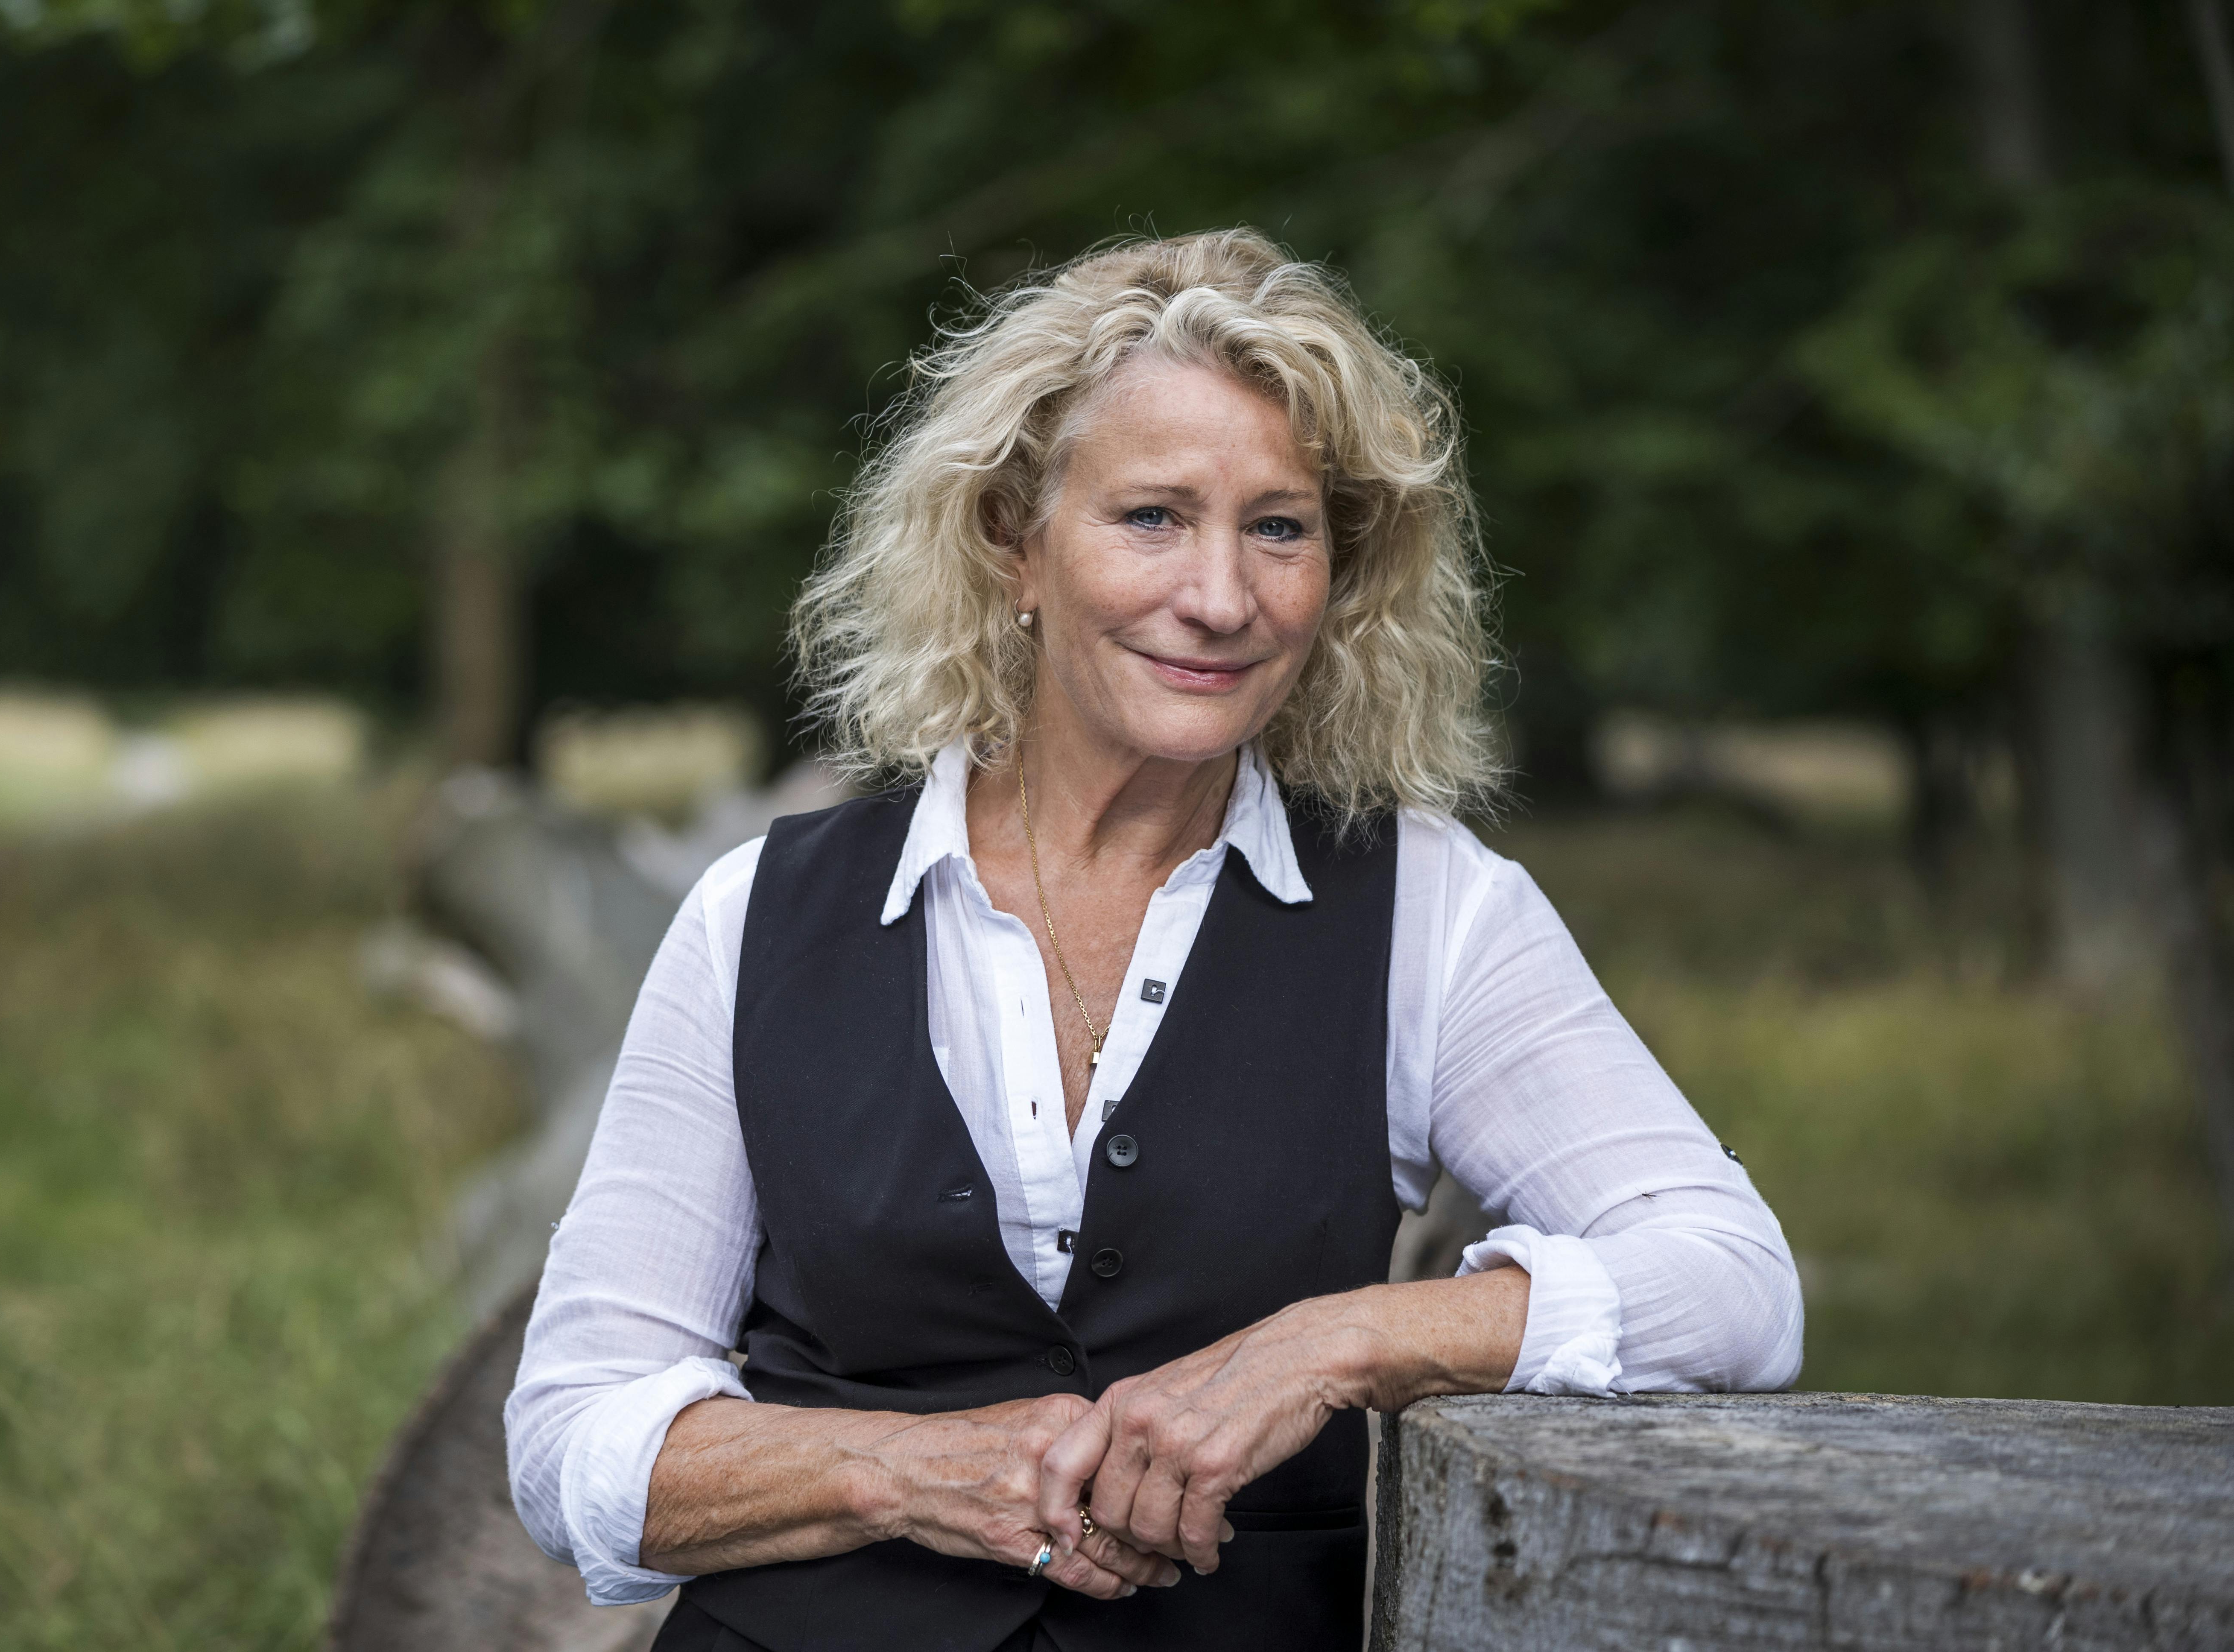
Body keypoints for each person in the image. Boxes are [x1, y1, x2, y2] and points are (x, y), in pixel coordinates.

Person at [505, 229, 1801, 1652]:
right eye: (1151, 517)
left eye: (1279, 528)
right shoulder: (759, 915)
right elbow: (572, 1441)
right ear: (1012, 540)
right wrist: (906, 1472)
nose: (1221, 598)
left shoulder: (1434, 910)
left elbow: (1731, 1285)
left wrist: (1332, 1343)